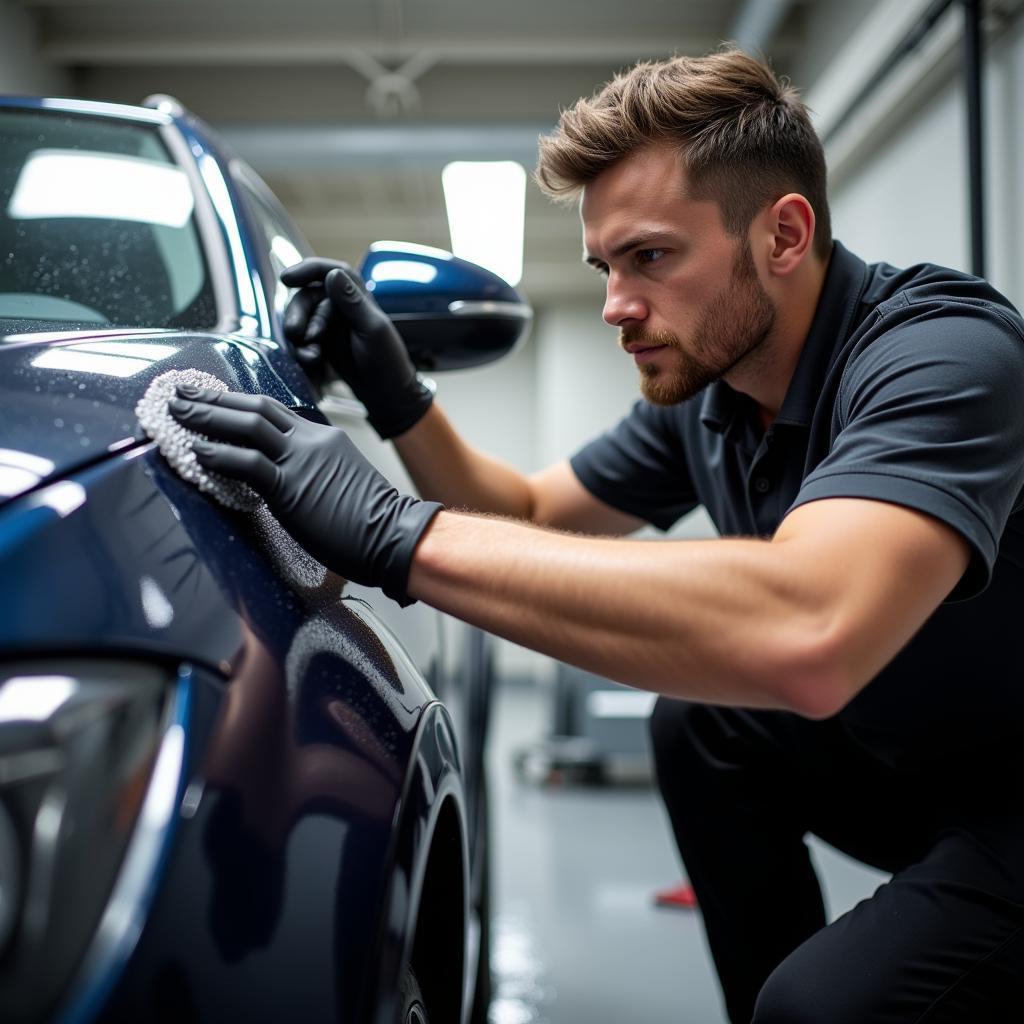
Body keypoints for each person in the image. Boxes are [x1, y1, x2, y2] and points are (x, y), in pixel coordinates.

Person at [169, 49, 1024, 1023]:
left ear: (783, 234)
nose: (617, 305)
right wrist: (397, 396)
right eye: (604, 266)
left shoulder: (942, 353)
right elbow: (526, 519)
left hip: (1008, 789)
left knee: (818, 1007)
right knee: (700, 724)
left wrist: (394, 533)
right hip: (917, 758)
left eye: (650, 256)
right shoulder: (712, 390)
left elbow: (812, 628)